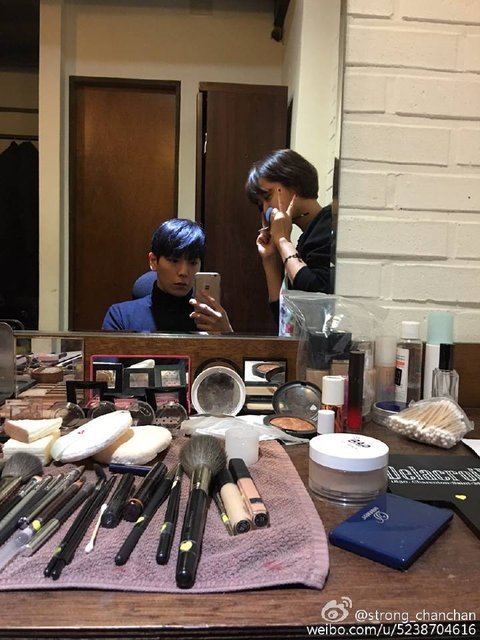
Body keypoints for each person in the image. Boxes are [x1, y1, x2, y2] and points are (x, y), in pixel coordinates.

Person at [245, 149, 333, 336]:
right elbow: (285, 320)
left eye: (267, 197)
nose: (266, 210)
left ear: (294, 183)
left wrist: (283, 240)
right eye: (261, 205)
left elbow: (316, 295)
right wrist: (269, 259)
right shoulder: (306, 238)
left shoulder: (329, 225)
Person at [102, 218, 232, 333]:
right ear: (153, 261)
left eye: (192, 263)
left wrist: (227, 335)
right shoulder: (121, 316)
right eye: (174, 260)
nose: (184, 272)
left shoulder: (210, 318)